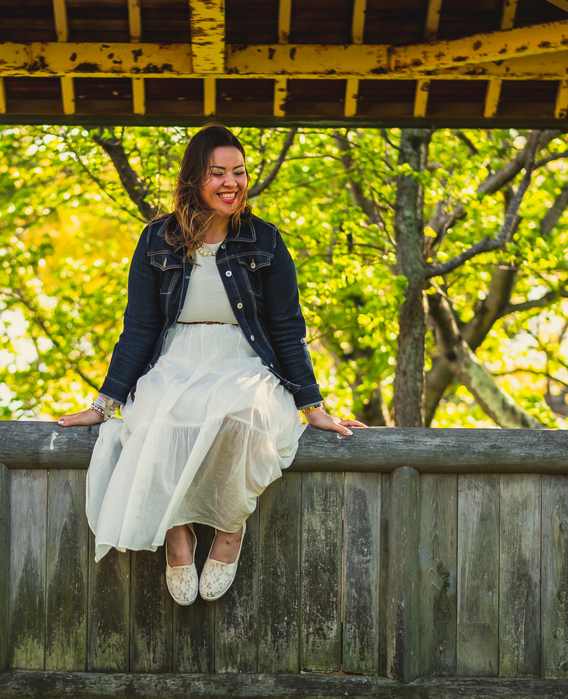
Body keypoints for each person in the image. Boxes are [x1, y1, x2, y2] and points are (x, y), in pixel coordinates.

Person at [59, 125, 363, 605]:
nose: (231, 183)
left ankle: (228, 529)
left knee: (247, 413)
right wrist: (104, 403)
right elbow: (139, 327)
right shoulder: (157, 240)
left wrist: (312, 405)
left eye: (239, 172)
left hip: (242, 359)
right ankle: (177, 536)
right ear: (193, 179)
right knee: (158, 413)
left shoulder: (265, 241)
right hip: (176, 359)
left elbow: (286, 327)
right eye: (217, 172)